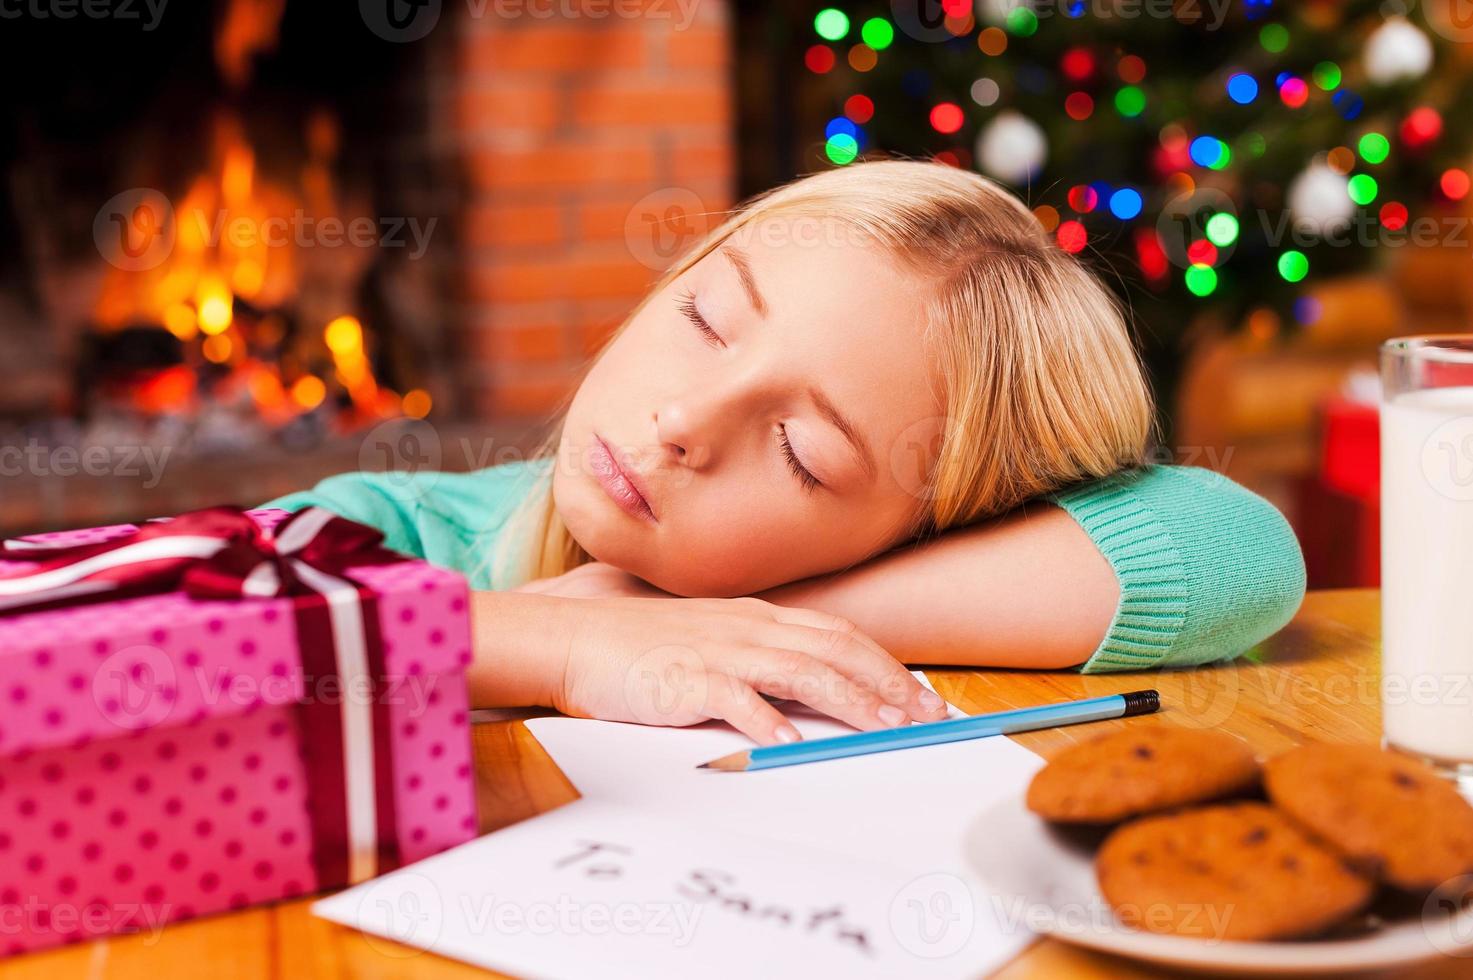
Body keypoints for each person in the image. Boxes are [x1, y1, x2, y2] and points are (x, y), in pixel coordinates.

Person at [268, 161, 1305, 747]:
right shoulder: (409, 528)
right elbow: (161, 640)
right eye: (708, 317)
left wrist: (725, 623)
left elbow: (1242, 550)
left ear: (926, 535)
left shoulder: (871, 578)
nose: (683, 415)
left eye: (804, 453)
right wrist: (562, 642)